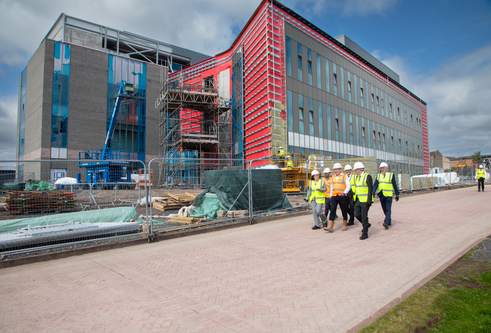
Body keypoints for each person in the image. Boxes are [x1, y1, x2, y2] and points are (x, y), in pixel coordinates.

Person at [373, 162, 400, 230]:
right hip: (381, 195)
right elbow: (375, 185)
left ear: (387, 168)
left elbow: (394, 185)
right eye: (381, 168)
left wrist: (397, 194)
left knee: (388, 209)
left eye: (384, 168)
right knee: (384, 209)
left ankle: (386, 222)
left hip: (388, 195)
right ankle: (389, 220)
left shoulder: (391, 175)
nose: (382, 169)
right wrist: (373, 192)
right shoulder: (378, 176)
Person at [324, 163, 350, 232]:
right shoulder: (333, 177)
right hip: (335, 196)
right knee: (332, 210)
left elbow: (348, 186)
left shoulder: (345, 176)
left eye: (337, 169)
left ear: (340, 169)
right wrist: (331, 196)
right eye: (335, 169)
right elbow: (332, 186)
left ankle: (345, 225)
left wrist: (345, 192)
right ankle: (330, 226)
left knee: (344, 210)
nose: (336, 171)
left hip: (342, 196)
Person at [352, 162, 373, 240]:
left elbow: (370, 189)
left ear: (359, 169)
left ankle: (365, 233)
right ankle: (366, 224)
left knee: (364, 217)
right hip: (358, 199)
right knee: (357, 215)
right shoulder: (357, 177)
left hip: (365, 200)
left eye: (355, 169)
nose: (355, 171)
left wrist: (369, 200)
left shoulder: (368, 177)